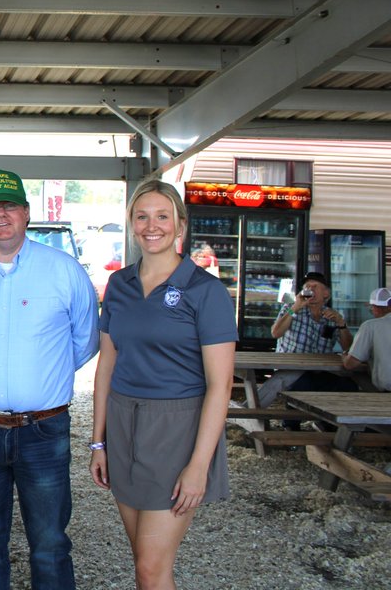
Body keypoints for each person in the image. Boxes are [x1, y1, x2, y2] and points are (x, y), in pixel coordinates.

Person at [0, 168, 98, 590]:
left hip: (44, 429)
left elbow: (84, 343)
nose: (1, 216)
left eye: (9, 206)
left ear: (26, 213)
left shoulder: (64, 271)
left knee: (49, 543)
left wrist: (39, 379)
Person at [91, 179, 236, 590]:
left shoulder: (205, 291)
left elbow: (220, 386)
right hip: (123, 424)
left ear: (180, 226)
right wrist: (98, 442)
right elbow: (106, 366)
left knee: (153, 568)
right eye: (142, 216)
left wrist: (198, 466)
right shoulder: (119, 285)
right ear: (131, 224)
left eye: (162, 216)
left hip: (177, 431)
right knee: (142, 563)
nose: (151, 226)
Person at [259, 272, 356, 408]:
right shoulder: (290, 309)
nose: (310, 289)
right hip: (291, 370)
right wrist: (295, 307)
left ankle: (332, 424)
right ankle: (291, 426)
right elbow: (276, 333)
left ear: (326, 294)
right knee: (303, 385)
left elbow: (348, 347)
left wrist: (341, 323)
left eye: (315, 286)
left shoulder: (331, 315)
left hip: (320, 370)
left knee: (347, 386)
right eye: (307, 286)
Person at [342, 287, 391, 391]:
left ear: (377, 307)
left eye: (372, 308)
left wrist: (344, 356)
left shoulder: (370, 326)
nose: (372, 311)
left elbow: (350, 364)